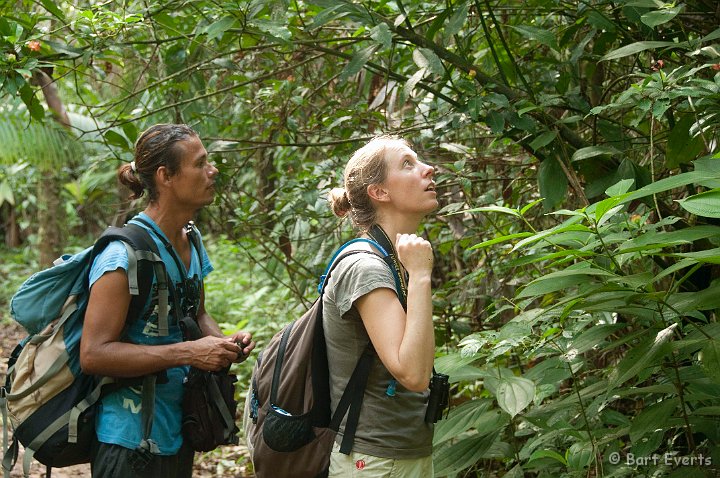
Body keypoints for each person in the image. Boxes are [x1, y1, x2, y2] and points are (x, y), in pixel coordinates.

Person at [80, 123, 255, 478]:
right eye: (200, 163)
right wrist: (190, 353)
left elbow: (197, 312)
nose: (212, 170)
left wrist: (221, 344)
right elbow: (94, 353)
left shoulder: (190, 239)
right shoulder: (123, 257)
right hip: (130, 444)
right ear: (166, 176)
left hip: (179, 432)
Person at [324, 135, 438, 477]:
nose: (428, 169)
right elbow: (413, 374)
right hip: (372, 461)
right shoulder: (366, 267)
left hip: (400, 452)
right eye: (408, 164)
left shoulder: (393, 258)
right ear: (379, 192)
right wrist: (420, 276)